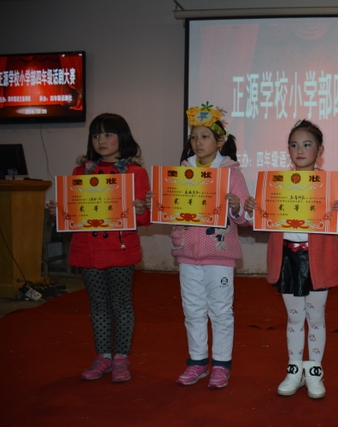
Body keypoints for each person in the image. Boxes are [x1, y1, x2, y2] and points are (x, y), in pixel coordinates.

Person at [244, 119, 338, 399]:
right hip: (287, 260)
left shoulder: (330, 186)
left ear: (320, 150)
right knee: (294, 319)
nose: (300, 150)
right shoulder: (275, 185)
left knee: (316, 318)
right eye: (294, 145)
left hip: (318, 263)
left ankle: (315, 371)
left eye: (307, 144)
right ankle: (294, 370)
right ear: (288, 150)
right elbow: (255, 221)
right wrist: (251, 209)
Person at [147, 103, 250, 388]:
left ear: (220, 141)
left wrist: (236, 206)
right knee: (192, 310)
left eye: (205, 136)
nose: (198, 142)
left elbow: (245, 219)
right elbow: (170, 210)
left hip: (219, 254)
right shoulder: (181, 172)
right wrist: (158, 202)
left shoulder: (232, 175)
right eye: (194, 137)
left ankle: (221, 364)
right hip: (187, 254)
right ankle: (197, 361)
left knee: (221, 311)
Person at [47, 113, 151, 382]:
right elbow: (74, 213)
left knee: (122, 304)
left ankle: (121, 358)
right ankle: (103, 356)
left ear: (122, 138)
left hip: (121, 249)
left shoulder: (135, 173)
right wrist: (59, 212)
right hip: (88, 248)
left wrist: (141, 209)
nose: (101, 140)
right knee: (98, 306)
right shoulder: (80, 172)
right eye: (95, 135)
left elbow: (144, 219)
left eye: (108, 134)